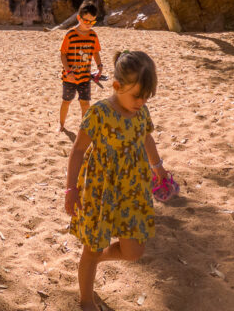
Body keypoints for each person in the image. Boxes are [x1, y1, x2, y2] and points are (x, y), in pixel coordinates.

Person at [64, 50, 171, 311]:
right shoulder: (99, 113)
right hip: (101, 192)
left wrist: (158, 167)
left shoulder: (141, 112)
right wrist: (71, 189)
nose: (142, 101)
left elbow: (146, 138)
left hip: (133, 189)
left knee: (134, 251)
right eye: (137, 95)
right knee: (91, 248)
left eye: (147, 96)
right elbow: (78, 150)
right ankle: (86, 300)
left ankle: (100, 258)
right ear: (116, 86)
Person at [59, 1, 103, 131]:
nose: (89, 24)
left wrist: (99, 65)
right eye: (87, 21)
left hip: (85, 77)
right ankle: (61, 125)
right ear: (79, 18)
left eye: (92, 22)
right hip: (69, 78)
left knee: (85, 104)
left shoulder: (93, 35)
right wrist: (68, 72)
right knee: (66, 101)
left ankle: (83, 127)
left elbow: (95, 52)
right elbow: (63, 54)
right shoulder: (70, 35)